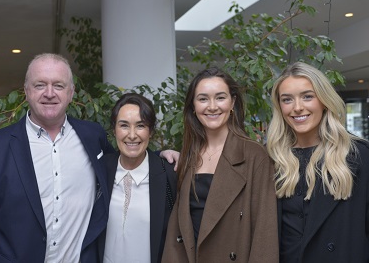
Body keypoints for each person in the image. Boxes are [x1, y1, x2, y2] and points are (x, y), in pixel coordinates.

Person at [0, 53, 179, 262]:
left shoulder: (92, 136)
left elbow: (125, 157)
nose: (49, 93)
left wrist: (159, 157)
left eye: (58, 86)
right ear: (26, 91)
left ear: (71, 93)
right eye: (40, 85)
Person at [162, 67, 279, 262]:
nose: (212, 106)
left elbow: (265, 234)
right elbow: (179, 226)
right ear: (193, 106)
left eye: (220, 97)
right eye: (203, 99)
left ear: (232, 102)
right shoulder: (189, 155)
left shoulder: (254, 156)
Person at [266, 61, 369, 263]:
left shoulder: (359, 155)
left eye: (307, 97)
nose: (297, 107)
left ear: (323, 100)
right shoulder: (271, 159)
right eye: (287, 100)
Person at [100, 93, 177, 263]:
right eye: (124, 125)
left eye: (141, 125)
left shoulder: (169, 175)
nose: (132, 135)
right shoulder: (99, 171)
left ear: (151, 131)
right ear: (114, 130)